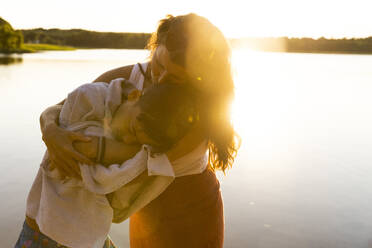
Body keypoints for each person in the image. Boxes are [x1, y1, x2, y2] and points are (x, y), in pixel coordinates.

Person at [40, 13, 240, 248]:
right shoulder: (130, 77)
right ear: (156, 47)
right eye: (159, 64)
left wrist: (73, 146)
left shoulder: (196, 116)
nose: (160, 78)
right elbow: (67, 106)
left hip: (189, 208)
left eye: (174, 77)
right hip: (145, 209)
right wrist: (50, 131)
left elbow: (135, 162)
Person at [15, 80, 200, 248]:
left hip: (87, 237)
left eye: (137, 143)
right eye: (132, 130)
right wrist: (138, 155)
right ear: (134, 96)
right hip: (47, 236)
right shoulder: (90, 98)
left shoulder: (150, 123)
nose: (126, 140)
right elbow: (81, 153)